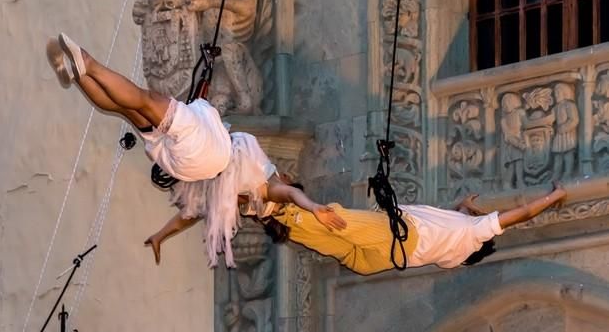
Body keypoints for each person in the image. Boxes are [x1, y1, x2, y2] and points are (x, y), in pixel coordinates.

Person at [144, 134, 568, 274]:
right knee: (317, 233)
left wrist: (551, 199)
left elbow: (515, 216)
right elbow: (455, 225)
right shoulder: (456, 252)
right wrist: (466, 207)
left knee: (332, 218)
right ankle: (308, 217)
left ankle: (312, 214)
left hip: (392, 238)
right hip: (373, 260)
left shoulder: (468, 237)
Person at [46, 33, 232, 182]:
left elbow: (198, 99)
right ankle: (75, 75)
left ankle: (87, 63)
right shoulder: (217, 141)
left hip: (198, 146)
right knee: (124, 107)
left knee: (146, 100)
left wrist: (208, 67)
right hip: (181, 163)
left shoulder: (222, 138)